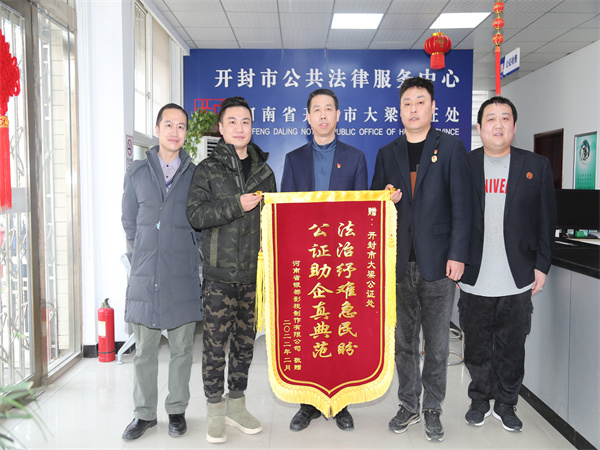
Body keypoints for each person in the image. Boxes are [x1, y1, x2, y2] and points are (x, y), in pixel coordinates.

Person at [370, 77, 472, 442]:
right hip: (398, 263)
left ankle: (433, 408)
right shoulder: (387, 152)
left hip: (440, 264)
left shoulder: (451, 147)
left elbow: (463, 205)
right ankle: (409, 404)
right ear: (399, 110)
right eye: (407, 103)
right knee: (404, 342)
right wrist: (384, 195)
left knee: (438, 344)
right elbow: (373, 203)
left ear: (433, 107)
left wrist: (458, 255)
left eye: (420, 102)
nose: (413, 109)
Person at [458, 96, 556, 432]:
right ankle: (479, 399)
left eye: (505, 118)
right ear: (480, 127)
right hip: (474, 274)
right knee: (476, 345)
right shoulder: (465, 165)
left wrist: (542, 265)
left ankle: (506, 402)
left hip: (518, 275)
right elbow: (453, 215)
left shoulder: (536, 165)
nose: (498, 125)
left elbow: (546, 220)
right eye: (491, 119)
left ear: (514, 126)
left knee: (512, 346)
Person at [186, 96, 276, 444]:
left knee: (244, 346)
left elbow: (274, 223)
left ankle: (237, 405)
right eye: (233, 122)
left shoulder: (265, 173)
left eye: (246, 122)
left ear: (252, 127)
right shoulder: (207, 170)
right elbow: (196, 215)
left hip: (254, 277)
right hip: (219, 278)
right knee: (214, 347)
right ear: (221, 129)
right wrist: (236, 205)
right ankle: (214, 410)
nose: (240, 128)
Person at [281, 88, 368, 432]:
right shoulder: (293, 159)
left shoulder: (356, 158)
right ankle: (308, 404)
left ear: (338, 115)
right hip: (307, 262)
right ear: (307, 117)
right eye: (316, 109)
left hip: (342, 262)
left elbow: (362, 213)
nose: (322, 115)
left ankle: (341, 403)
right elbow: (286, 215)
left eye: (328, 109)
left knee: (341, 331)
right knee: (309, 331)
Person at [121, 103, 203, 440]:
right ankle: (143, 414)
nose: (174, 132)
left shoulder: (195, 175)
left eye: (181, 126)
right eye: (168, 125)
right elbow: (129, 221)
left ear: (186, 133)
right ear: (157, 130)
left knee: (182, 349)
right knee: (144, 350)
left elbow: (200, 224)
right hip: (146, 274)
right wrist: (144, 249)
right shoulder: (137, 173)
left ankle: (177, 410)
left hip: (181, 274)